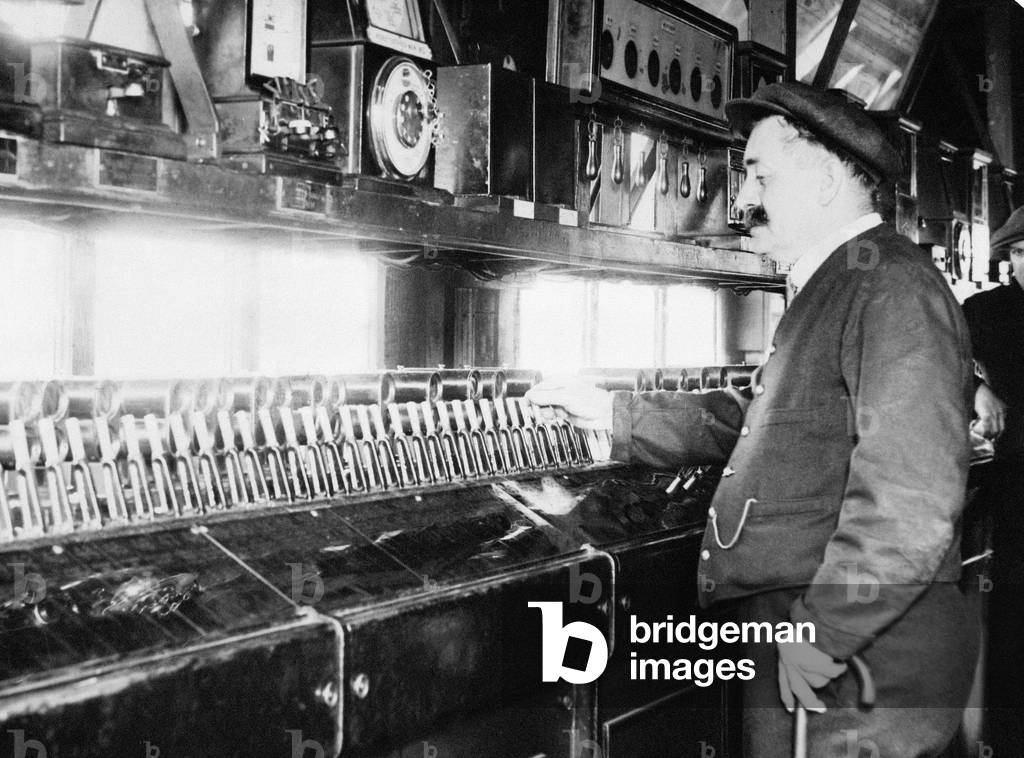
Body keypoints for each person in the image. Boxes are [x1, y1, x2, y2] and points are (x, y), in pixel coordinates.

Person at [528, 82, 978, 757]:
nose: (744, 198)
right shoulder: (840, 283)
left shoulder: (890, 285)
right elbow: (765, 418)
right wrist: (617, 414)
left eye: (761, 173)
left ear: (825, 180)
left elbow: (910, 503)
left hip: (860, 668)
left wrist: (822, 636)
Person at [962, 208, 1024, 754]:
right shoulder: (983, 312)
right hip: (1013, 485)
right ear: (1015, 256)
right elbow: (936, 359)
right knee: (1011, 624)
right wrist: (975, 389)